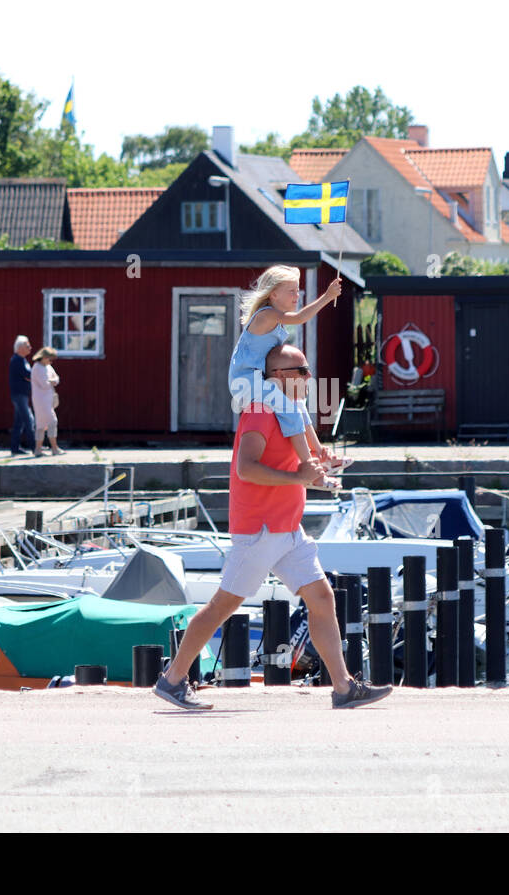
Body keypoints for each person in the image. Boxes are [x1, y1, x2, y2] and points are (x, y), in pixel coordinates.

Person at [155, 343, 393, 711]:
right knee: (222, 607)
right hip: (260, 531)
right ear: (279, 377)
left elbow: (301, 464)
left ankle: (343, 688)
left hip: (287, 530)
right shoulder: (260, 413)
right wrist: (298, 475)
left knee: (322, 598)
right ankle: (172, 680)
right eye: (302, 371)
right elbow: (245, 468)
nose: (310, 377)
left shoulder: (291, 412)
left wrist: (323, 464)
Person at [229, 266, 351, 488]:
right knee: (290, 409)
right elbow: (302, 317)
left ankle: (321, 454)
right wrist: (328, 296)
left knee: (299, 404)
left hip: (258, 380)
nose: (297, 295)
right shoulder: (268, 314)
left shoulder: (274, 317)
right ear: (273, 294)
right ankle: (312, 470)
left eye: (297, 290)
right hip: (246, 383)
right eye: (292, 291)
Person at [30, 346, 62, 457]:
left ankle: (38, 449)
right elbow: (44, 384)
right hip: (41, 400)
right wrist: (52, 381)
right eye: (49, 359)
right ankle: (54, 448)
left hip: (47, 399)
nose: (51, 361)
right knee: (52, 421)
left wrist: (52, 381)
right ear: (43, 357)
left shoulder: (47, 367)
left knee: (41, 425)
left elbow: (56, 378)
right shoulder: (37, 368)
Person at [8, 335, 35, 456]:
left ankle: (15, 447)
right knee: (29, 420)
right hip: (19, 395)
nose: (30, 347)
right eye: (27, 346)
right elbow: (27, 375)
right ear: (19, 348)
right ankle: (35, 447)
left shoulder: (22, 360)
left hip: (21, 394)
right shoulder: (17, 360)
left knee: (19, 422)